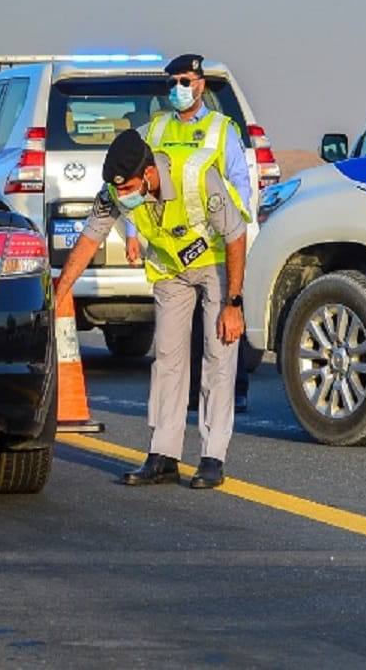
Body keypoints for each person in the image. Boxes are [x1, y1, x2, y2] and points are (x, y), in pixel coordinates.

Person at [54, 130, 248, 489]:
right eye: (119, 191)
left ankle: (212, 458)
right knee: (167, 359)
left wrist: (233, 304)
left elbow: (236, 236)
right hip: (170, 269)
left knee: (217, 355)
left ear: (147, 174)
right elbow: (89, 240)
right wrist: (58, 294)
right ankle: (163, 456)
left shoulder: (196, 175)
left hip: (217, 263)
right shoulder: (115, 191)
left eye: (129, 188)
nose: (123, 197)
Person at [143, 54, 257, 414]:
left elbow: (239, 181)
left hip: (216, 243)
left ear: (200, 85)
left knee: (224, 329)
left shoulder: (221, 129)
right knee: (178, 338)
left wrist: (236, 222)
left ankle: (233, 391)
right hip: (173, 248)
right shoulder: (157, 129)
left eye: (185, 81)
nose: (178, 88)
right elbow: (141, 181)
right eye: (173, 82)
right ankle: (189, 399)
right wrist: (132, 232)